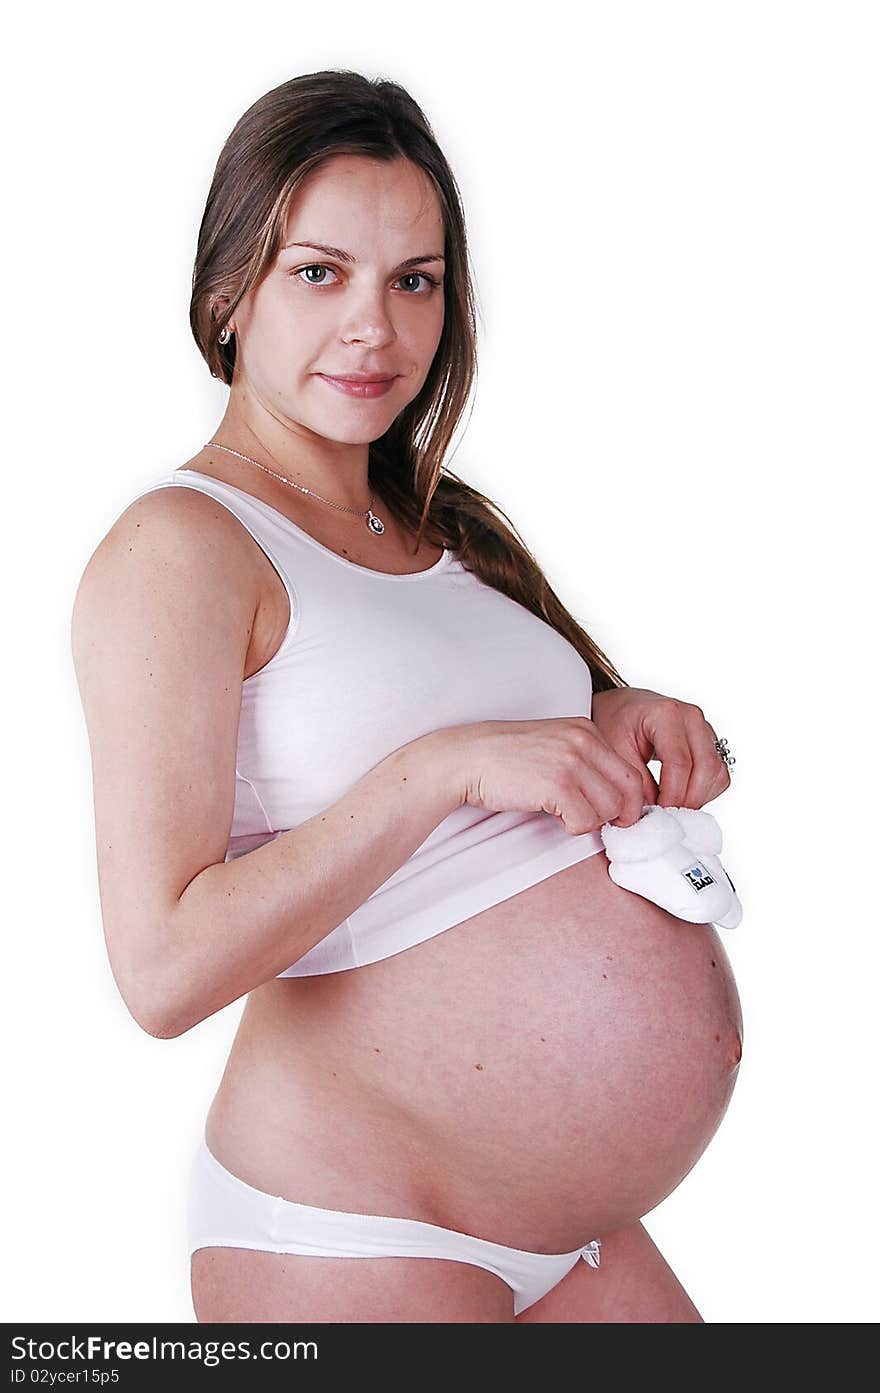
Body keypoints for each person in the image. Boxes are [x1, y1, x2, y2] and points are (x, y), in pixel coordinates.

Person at [70, 70, 742, 1324]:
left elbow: (440, 724)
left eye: (413, 279)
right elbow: (159, 969)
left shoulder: (434, 520)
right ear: (230, 292)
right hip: (358, 1234)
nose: (374, 326)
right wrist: (443, 766)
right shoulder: (183, 546)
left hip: (574, 1230)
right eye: (319, 273)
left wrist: (607, 717)